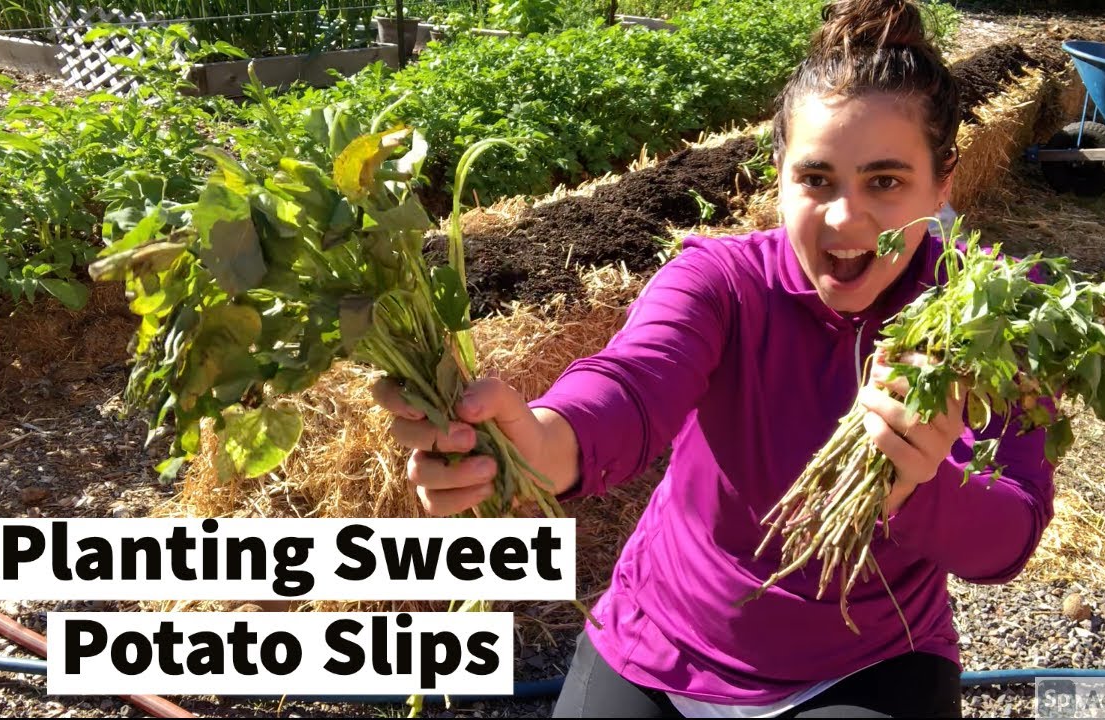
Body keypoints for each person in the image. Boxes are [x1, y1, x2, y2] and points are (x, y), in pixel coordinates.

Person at [373, 0, 1057, 716]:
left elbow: (1007, 538)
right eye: (816, 179)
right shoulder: (723, 282)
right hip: (664, 638)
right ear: (778, 173)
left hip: (869, 657)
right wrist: (543, 444)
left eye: (885, 182)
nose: (845, 218)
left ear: (942, 183)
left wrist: (920, 490)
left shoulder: (985, 313)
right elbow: (632, 385)